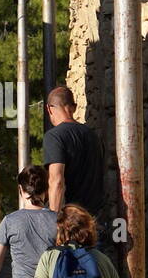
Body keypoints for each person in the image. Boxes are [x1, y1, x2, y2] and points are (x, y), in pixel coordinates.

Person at [43, 86, 106, 234]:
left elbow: (56, 181)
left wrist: (54, 221)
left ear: (49, 109)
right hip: (95, 220)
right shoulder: (93, 136)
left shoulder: (54, 137)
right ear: (74, 107)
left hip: (72, 222)